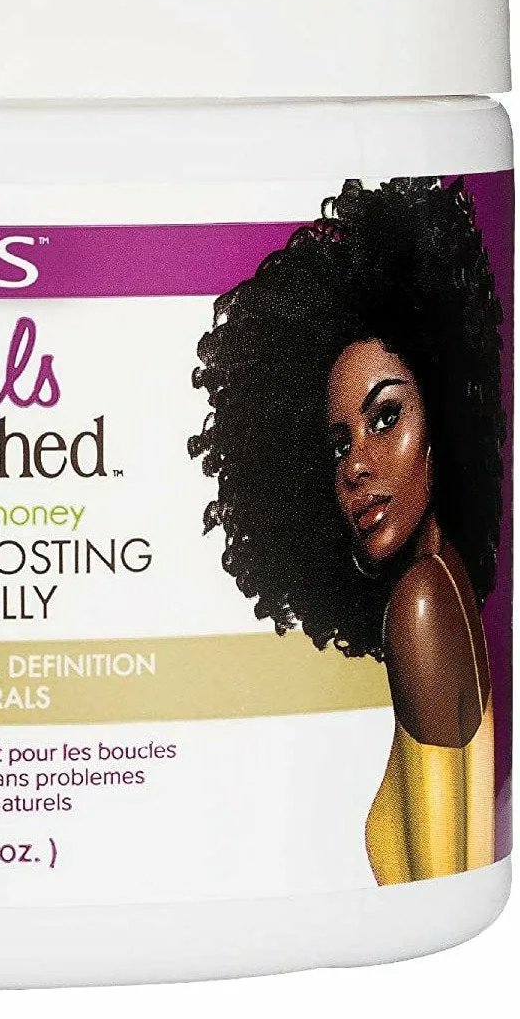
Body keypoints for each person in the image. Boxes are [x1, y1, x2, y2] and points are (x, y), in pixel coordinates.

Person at [189, 178, 505, 883]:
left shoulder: (420, 604)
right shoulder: (445, 585)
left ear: (444, 414)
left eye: (385, 417)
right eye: (338, 444)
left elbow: (433, 887)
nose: (355, 465)